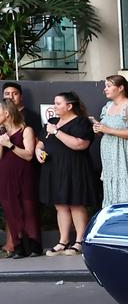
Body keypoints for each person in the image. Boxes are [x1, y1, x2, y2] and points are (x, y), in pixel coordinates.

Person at [35, 92, 96, 256]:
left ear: (69, 106)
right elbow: (40, 143)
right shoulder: (52, 121)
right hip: (54, 168)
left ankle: (79, 241)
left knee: (76, 203)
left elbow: (79, 145)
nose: (54, 106)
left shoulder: (82, 122)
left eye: (58, 103)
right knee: (60, 205)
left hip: (74, 168)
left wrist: (56, 132)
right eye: (54, 103)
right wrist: (38, 152)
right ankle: (63, 241)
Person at [0, 100, 39, 258]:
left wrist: (10, 145)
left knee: (28, 209)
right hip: (5, 176)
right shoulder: (1, 133)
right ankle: (18, 246)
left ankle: (34, 245)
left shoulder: (26, 130)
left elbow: (29, 155)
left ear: (6, 114)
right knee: (11, 210)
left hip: (24, 174)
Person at [93, 75, 128, 207]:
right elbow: (105, 130)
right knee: (110, 188)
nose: (105, 89)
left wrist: (108, 130)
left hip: (124, 153)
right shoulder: (107, 106)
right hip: (108, 154)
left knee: (126, 187)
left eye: (108, 86)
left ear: (120, 88)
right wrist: (99, 128)